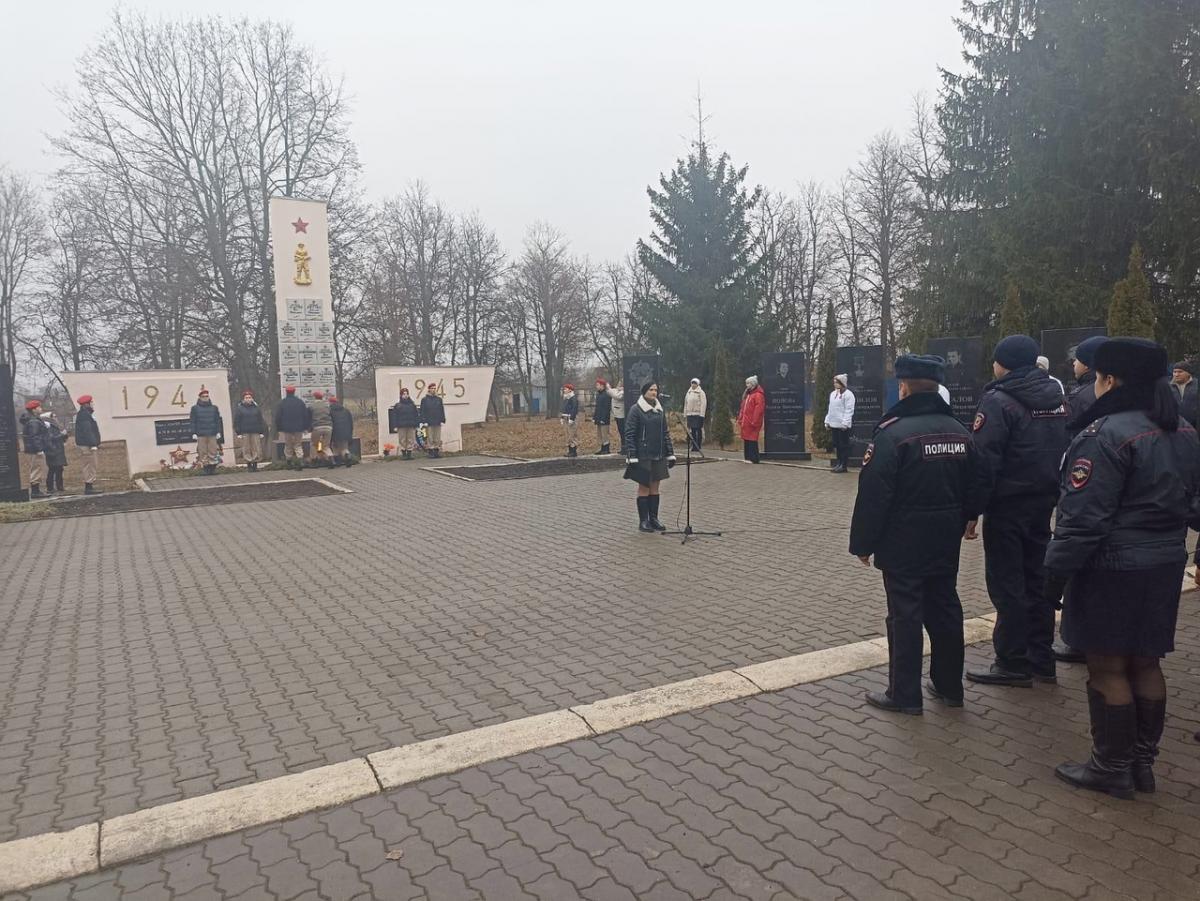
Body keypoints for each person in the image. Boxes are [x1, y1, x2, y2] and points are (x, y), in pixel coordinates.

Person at [1044, 338, 1200, 799]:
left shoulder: (1104, 435)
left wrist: (1053, 577)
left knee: (1107, 667)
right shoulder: (1184, 430)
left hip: (1112, 567)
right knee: (1146, 662)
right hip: (1164, 563)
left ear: (1109, 380)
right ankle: (1141, 765)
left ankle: (1110, 767)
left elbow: (1082, 520)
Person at [850, 354, 973, 715]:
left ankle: (904, 695)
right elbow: (979, 480)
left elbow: (874, 494)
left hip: (903, 541)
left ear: (903, 388)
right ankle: (950, 687)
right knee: (945, 608)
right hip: (945, 538)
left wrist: (863, 543)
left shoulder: (893, 434)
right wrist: (970, 517)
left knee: (905, 615)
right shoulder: (960, 431)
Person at [965, 334, 1069, 688]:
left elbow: (984, 462)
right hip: (1044, 501)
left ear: (1003, 363)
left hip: (1007, 506)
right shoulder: (1057, 398)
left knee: (1007, 584)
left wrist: (972, 510)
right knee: (1037, 580)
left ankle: (1012, 660)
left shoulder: (998, 401)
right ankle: (1042, 658)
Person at [1054, 334, 1109, 664]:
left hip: (1083, 494)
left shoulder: (1083, 397)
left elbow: (1070, 440)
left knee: (1081, 574)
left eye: (1077, 359)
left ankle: (1079, 642)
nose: (1073, 364)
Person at [624, 381, 676, 532]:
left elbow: (665, 433)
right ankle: (644, 521)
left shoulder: (659, 410)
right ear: (644, 391)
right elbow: (630, 434)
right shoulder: (636, 409)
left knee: (655, 488)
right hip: (643, 455)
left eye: (656, 390)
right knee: (644, 487)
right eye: (651, 390)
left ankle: (654, 519)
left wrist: (670, 453)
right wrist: (632, 455)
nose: (654, 392)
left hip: (658, 454)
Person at [189, 388, 225, 475]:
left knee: (213, 451)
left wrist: (218, 432)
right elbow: (193, 421)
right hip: (201, 434)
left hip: (212, 433)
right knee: (203, 452)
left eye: (207, 396)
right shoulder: (195, 408)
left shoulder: (214, 408)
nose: (205, 398)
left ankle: (212, 469)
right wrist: (193, 432)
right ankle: (206, 469)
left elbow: (217, 421)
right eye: (203, 396)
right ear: (200, 398)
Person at [825, 374, 855, 472]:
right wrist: (827, 421)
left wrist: (845, 423)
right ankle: (839, 463)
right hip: (834, 424)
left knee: (843, 445)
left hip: (842, 425)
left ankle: (843, 465)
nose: (834, 384)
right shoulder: (833, 394)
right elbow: (830, 409)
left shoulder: (849, 395)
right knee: (837, 445)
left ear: (842, 383)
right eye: (834, 382)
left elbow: (849, 410)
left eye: (837, 382)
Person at [233, 389, 268, 472]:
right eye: (246, 397)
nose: (248, 399)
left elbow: (260, 420)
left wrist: (261, 431)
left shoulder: (256, 408)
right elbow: (236, 421)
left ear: (252, 398)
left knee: (255, 448)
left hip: (255, 431)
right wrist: (238, 432)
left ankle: (255, 464)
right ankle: (249, 465)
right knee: (246, 448)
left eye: (249, 397)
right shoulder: (240, 409)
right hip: (245, 432)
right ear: (243, 399)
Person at [74, 394, 102, 494]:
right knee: (89, 465)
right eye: (91, 402)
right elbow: (87, 431)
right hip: (86, 445)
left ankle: (90, 485)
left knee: (91, 464)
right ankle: (88, 487)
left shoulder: (85, 414)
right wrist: (93, 444)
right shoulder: (84, 415)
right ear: (87, 404)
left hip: (87, 444)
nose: (92, 404)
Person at [276, 385, 308, 470]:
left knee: (288, 445)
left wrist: (279, 428)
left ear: (286, 392)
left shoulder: (282, 403)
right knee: (298, 444)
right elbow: (305, 415)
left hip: (287, 428)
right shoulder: (300, 402)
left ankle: (289, 462)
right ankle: (300, 461)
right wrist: (305, 427)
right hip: (298, 428)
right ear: (294, 392)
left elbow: (278, 416)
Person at [20, 399, 47, 498]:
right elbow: (34, 436)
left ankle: (36, 490)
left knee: (37, 468)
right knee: (36, 468)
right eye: (39, 407)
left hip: (32, 449)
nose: (41, 409)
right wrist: (39, 449)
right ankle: (35, 491)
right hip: (35, 450)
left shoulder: (32, 420)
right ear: (34, 409)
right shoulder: (34, 421)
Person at [737, 376, 766, 463]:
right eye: (746, 383)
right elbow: (743, 408)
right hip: (746, 422)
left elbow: (759, 409)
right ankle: (747, 457)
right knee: (746, 439)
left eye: (748, 383)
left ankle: (754, 458)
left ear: (753, 384)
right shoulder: (748, 395)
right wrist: (740, 418)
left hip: (752, 422)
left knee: (752, 440)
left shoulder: (758, 395)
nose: (747, 385)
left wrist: (755, 421)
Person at [40, 411, 68, 496]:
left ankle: (60, 486)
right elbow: (50, 438)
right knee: (52, 469)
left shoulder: (55, 426)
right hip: (52, 450)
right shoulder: (47, 426)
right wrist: (61, 435)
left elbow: (58, 437)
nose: (56, 418)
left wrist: (64, 435)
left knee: (59, 468)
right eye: (54, 416)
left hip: (58, 449)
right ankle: (50, 488)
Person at [389, 388, 420, 459]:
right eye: (404, 394)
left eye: (407, 394)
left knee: (410, 439)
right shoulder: (398, 405)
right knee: (402, 440)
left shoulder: (412, 405)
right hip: (401, 425)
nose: (405, 395)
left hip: (411, 425)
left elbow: (416, 415)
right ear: (401, 395)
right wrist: (395, 426)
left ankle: (409, 454)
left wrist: (416, 424)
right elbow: (394, 416)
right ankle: (404, 454)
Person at [307, 390, 333, 467]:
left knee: (313, 444)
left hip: (317, 427)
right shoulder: (327, 406)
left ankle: (314, 460)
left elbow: (309, 417)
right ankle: (331, 458)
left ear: (314, 397)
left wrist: (309, 428)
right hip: (328, 427)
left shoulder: (311, 406)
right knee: (326, 446)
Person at [419, 388, 446, 458]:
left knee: (437, 437)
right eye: (432, 388)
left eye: (434, 388)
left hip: (437, 421)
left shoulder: (439, 399)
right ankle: (431, 452)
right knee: (430, 437)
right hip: (429, 421)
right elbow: (422, 411)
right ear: (429, 390)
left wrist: (442, 419)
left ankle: (436, 452)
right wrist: (423, 420)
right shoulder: (424, 400)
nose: (433, 390)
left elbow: (441, 410)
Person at [684, 378, 708, 456]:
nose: (693, 385)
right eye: (692, 383)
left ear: (697, 384)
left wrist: (702, 414)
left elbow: (703, 404)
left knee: (698, 430)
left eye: (695, 383)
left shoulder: (701, 392)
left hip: (698, 414)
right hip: (690, 414)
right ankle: (693, 446)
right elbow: (686, 403)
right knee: (692, 431)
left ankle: (698, 445)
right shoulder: (688, 392)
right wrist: (685, 413)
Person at [329, 395, 355, 466]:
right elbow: (351, 423)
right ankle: (347, 456)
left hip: (335, 433)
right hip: (346, 433)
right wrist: (350, 433)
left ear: (331, 403)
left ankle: (338, 462)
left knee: (335, 448)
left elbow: (330, 423)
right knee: (344, 448)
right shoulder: (346, 411)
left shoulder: (330, 411)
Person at [1171, 360, 1198, 426]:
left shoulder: (1197, 385)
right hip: (1174, 425)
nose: (1176, 375)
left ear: (1188, 373)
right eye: (1174, 372)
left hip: (1194, 425)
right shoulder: (1167, 387)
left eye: (1180, 372)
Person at [592, 378, 613, 455]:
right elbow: (597, 407)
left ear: (602, 385)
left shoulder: (606, 395)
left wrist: (603, 418)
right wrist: (594, 417)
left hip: (604, 418)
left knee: (605, 434)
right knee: (600, 434)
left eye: (598, 385)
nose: (596, 386)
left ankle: (606, 449)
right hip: (598, 417)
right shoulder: (598, 395)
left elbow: (606, 408)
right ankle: (602, 448)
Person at [561, 384, 579, 457]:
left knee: (572, 434)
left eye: (566, 389)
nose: (564, 390)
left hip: (571, 418)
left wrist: (572, 418)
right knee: (568, 434)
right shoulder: (566, 398)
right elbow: (564, 409)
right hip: (566, 418)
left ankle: (573, 451)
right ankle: (570, 450)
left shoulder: (573, 398)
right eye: (564, 389)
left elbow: (574, 409)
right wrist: (562, 417)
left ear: (570, 390)